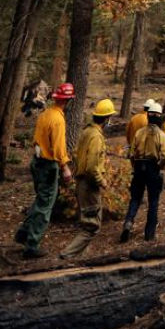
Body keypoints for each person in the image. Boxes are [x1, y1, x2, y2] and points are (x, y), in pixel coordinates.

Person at [15, 82, 75, 258]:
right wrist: (65, 167)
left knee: (41, 199)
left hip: (37, 162)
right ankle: (31, 246)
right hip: (48, 165)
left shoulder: (46, 114)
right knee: (45, 205)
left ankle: (24, 233)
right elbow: (58, 147)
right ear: (68, 101)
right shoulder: (58, 120)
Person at [60, 97, 116, 258]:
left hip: (82, 182)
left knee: (91, 220)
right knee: (91, 226)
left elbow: (78, 155)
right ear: (106, 118)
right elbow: (92, 167)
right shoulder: (96, 137)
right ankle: (68, 255)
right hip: (89, 184)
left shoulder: (87, 131)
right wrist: (102, 182)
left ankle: (82, 255)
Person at [120, 102, 165, 242]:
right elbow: (164, 157)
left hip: (139, 167)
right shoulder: (162, 135)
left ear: (148, 116)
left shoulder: (139, 133)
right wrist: (159, 167)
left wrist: (135, 166)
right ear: (159, 117)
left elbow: (131, 153)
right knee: (153, 201)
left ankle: (128, 222)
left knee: (135, 198)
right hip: (153, 169)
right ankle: (149, 234)